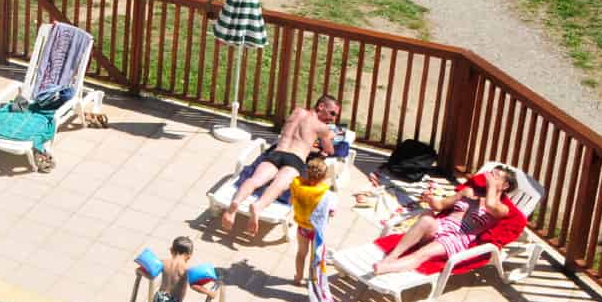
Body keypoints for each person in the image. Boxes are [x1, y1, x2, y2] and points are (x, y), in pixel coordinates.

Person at [216, 95, 341, 236]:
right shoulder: (322, 127)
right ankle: (258, 206)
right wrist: (327, 137)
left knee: (255, 180)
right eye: (332, 113)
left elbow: (294, 131)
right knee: (277, 186)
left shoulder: (297, 111)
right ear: (321, 107)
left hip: (277, 152)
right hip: (295, 159)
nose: (333, 119)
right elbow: (329, 150)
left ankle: (234, 205)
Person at [372, 166, 522, 276]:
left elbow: (490, 205)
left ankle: (384, 268)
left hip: (457, 238)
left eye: (495, 176)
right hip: (441, 225)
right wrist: (430, 199)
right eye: (490, 173)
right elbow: (440, 206)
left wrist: (491, 186)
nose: (488, 177)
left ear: (505, 185)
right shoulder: (469, 192)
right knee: (427, 217)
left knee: (422, 254)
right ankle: (391, 257)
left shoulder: (502, 209)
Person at [290, 152, 335, 286]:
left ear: (307, 174)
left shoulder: (299, 188)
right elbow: (332, 212)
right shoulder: (327, 194)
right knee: (315, 255)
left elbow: (291, 201)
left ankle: (298, 277)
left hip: (303, 228)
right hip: (317, 231)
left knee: (301, 253)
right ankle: (314, 279)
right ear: (324, 176)